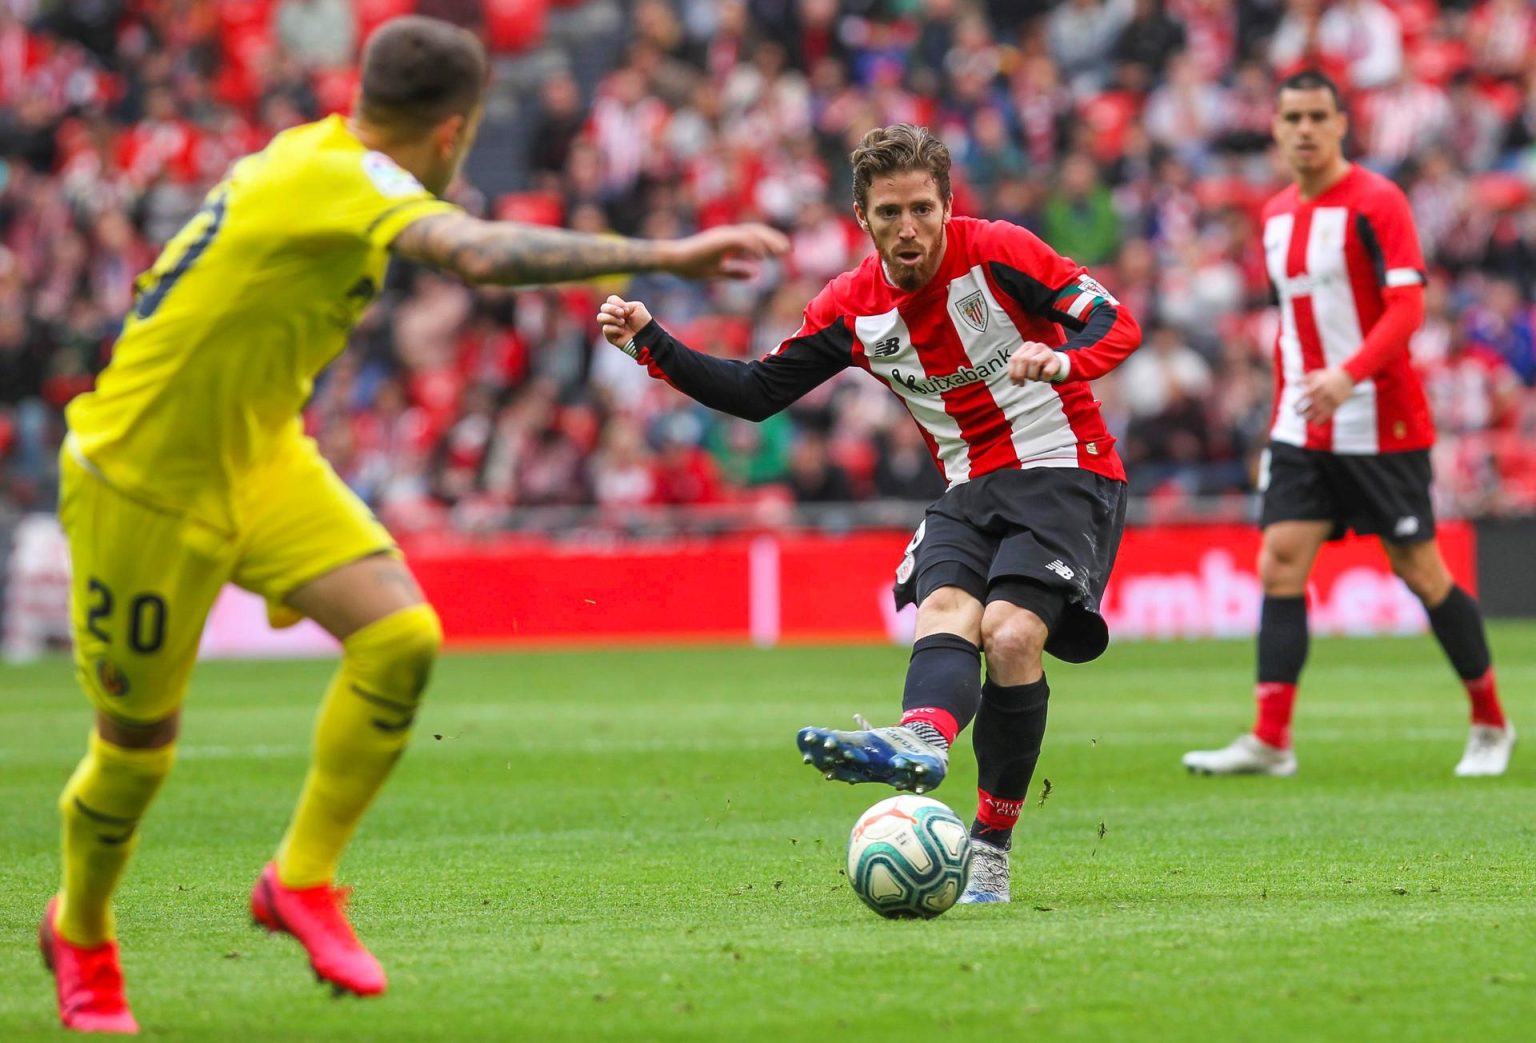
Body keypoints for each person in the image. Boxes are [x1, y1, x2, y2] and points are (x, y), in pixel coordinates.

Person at [41, 16, 785, 1035]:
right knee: (135, 751)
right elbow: (474, 254)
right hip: (142, 479)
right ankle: (79, 930)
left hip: (257, 453)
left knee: (399, 637)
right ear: (453, 132)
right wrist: (667, 253)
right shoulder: (349, 179)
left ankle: (300, 879)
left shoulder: (310, 155)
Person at [597, 123, 1142, 905]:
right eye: (890, 213)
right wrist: (654, 343)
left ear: (948, 204)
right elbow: (757, 393)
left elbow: (1114, 319)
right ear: (862, 217)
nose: (909, 228)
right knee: (946, 608)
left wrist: (1066, 356)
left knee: (1013, 633)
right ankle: (922, 737)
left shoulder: (999, 250)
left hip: (1065, 469)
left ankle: (991, 843)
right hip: (966, 485)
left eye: (923, 208)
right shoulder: (850, 307)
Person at [1181, 70, 1515, 779]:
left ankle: (1491, 720)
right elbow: (1290, 332)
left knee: (1420, 570)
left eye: (1316, 116)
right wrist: (1281, 414)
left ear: (1340, 124)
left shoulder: (1377, 201)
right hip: (1303, 424)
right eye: (1291, 116)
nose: (1303, 128)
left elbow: (1407, 310)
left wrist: (1349, 374)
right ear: (1274, 127)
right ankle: (1271, 739)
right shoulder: (1273, 217)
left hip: (1379, 421)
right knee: (1279, 561)